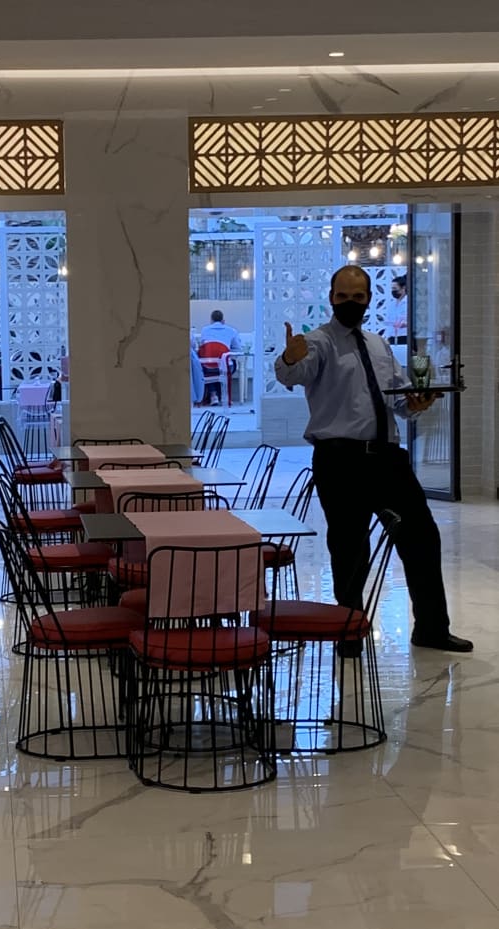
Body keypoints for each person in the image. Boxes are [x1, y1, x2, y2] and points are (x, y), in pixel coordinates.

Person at [275, 265, 472, 654]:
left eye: (358, 297)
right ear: (331, 298)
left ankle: (431, 628)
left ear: (368, 300)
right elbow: (293, 374)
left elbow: (399, 400)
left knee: (421, 537)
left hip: (387, 459)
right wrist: (288, 359)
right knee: (349, 549)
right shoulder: (318, 343)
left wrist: (417, 403)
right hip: (340, 461)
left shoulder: (379, 345)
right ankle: (349, 632)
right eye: (343, 296)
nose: (350, 303)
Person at [200, 310, 242, 405]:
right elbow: (238, 349)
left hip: (208, 365)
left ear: (211, 320)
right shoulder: (231, 331)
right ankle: (224, 396)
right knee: (225, 367)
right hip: (226, 366)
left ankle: (213, 395)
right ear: (223, 320)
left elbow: (203, 347)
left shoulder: (204, 330)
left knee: (208, 369)